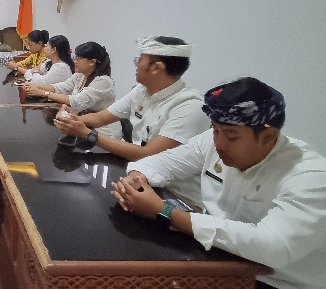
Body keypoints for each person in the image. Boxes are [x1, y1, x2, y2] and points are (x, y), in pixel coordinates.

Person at [112, 77, 326, 289]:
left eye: (232, 137)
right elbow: (162, 162)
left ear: (269, 136)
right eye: (215, 130)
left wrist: (164, 212)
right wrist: (136, 180)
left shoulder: (310, 175)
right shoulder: (214, 139)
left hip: (278, 281)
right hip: (218, 261)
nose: (219, 144)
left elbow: (272, 247)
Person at [54, 36, 210, 205]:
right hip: (137, 174)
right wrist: (71, 119)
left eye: (139, 60)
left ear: (156, 68)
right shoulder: (141, 91)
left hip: (176, 196)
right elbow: (101, 117)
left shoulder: (190, 106)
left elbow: (148, 154)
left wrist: (88, 134)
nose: (136, 65)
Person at [25, 42, 122, 139]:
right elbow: (62, 87)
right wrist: (37, 87)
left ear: (92, 62)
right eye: (75, 57)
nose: (75, 61)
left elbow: (76, 101)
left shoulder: (103, 81)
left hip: (102, 131)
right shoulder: (80, 75)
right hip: (83, 124)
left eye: (79, 58)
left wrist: (43, 93)